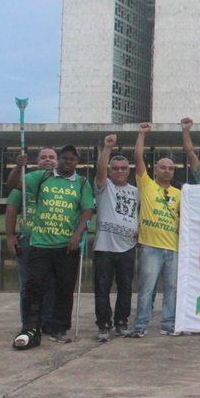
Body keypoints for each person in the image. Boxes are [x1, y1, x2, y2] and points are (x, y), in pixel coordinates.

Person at [10, 145, 94, 349]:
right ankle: (30, 328)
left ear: (77, 162)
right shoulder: (42, 176)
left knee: (64, 289)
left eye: (72, 159)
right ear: (60, 160)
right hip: (40, 243)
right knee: (34, 287)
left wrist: (77, 235)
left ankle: (59, 328)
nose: (68, 162)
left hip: (66, 246)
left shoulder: (82, 183)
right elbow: (15, 185)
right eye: (65, 158)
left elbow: (87, 210)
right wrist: (16, 167)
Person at [128, 123, 182, 338]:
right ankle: (140, 326)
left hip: (173, 247)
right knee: (146, 289)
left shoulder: (180, 193)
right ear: (156, 169)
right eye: (162, 167)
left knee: (171, 290)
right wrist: (142, 134)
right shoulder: (146, 185)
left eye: (170, 168)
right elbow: (138, 157)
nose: (166, 170)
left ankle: (168, 325)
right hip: (150, 246)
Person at [4, 147, 58, 334]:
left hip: (53, 241)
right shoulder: (26, 180)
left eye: (51, 157)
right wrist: (10, 236)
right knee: (28, 284)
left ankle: (47, 323)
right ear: (37, 161)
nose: (48, 160)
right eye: (43, 157)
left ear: (57, 162)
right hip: (29, 239)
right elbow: (11, 207)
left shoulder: (62, 182)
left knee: (51, 285)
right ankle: (28, 324)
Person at [92, 134, 139, 341]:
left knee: (126, 287)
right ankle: (103, 324)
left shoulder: (136, 191)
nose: (120, 171)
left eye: (123, 168)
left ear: (129, 171)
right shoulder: (105, 187)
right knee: (102, 288)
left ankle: (121, 322)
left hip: (127, 247)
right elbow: (100, 171)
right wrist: (107, 148)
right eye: (116, 168)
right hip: (104, 247)